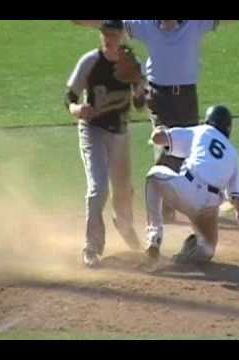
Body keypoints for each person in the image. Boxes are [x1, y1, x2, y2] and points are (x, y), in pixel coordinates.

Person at [72, 20, 239, 223]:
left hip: (187, 96)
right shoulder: (146, 25)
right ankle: (157, 206)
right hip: (159, 96)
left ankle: (171, 204)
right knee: (165, 147)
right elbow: (113, 23)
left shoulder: (195, 23)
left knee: (185, 151)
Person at [144, 105, 239, 267]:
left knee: (153, 176)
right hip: (207, 209)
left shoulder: (202, 130)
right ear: (228, 128)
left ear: (208, 121)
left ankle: (154, 238)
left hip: (186, 189)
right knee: (207, 250)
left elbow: (157, 139)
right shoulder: (233, 154)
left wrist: (159, 129)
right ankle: (196, 249)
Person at [65, 20, 143, 268]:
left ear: (121, 35)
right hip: (93, 130)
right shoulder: (90, 61)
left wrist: (140, 89)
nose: (107, 38)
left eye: (112, 33)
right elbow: (69, 97)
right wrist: (77, 109)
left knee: (124, 191)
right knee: (98, 189)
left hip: (119, 133)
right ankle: (92, 247)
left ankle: (124, 224)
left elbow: (140, 105)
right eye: (104, 33)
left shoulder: (132, 64)